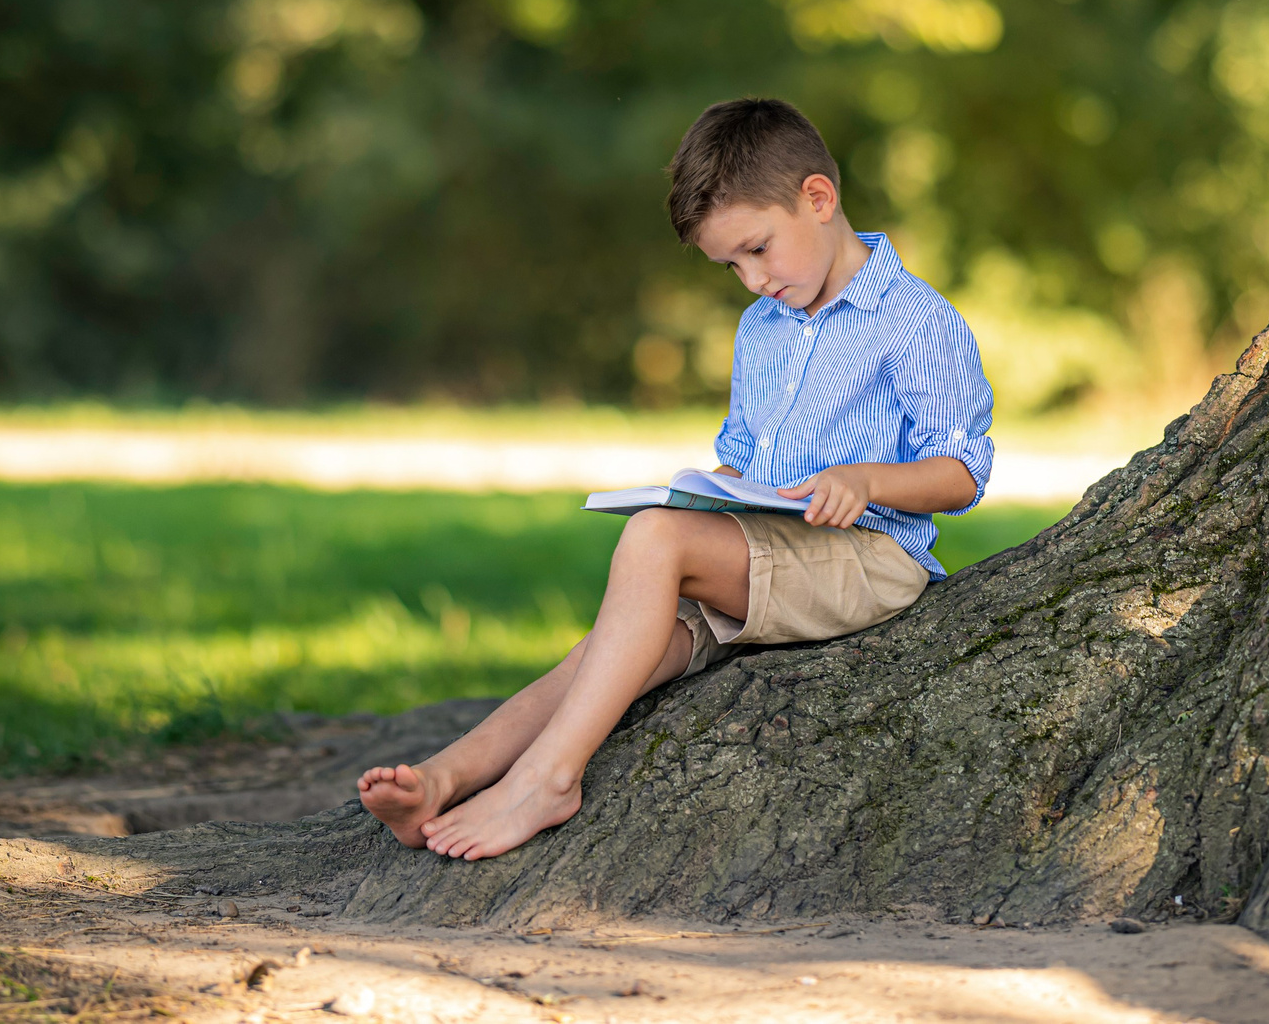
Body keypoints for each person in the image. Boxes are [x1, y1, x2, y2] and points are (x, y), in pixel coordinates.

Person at [357, 96, 996, 860]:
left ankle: (548, 781)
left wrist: (867, 479)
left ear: (817, 199)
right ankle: (442, 778)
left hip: (866, 559)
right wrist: (707, 493)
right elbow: (744, 456)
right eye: (732, 265)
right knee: (606, 650)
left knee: (654, 541)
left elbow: (961, 473)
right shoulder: (764, 327)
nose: (752, 279)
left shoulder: (915, 321)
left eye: (758, 249)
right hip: (764, 555)